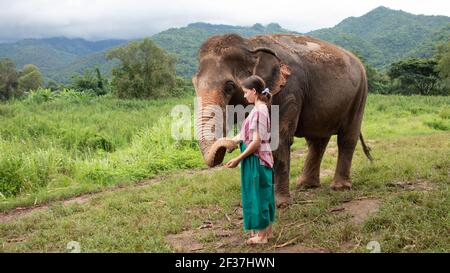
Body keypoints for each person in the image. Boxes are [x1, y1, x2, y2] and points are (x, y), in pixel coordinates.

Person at [224, 75, 275, 244]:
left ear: (254, 91)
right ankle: (267, 231)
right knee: (264, 193)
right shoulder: (257, 109)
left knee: (257, 195)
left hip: (256, 158)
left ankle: (261, 237)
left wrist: (238, 158)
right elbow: (247, 134)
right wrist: (233, 140)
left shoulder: (259, 111)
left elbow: (256, 142)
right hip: (260, 158)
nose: (244, 96)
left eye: (246, 92)